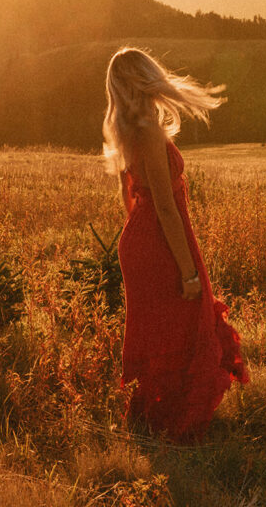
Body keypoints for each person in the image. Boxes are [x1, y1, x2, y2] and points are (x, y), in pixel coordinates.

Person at [103, 46, 249, 442]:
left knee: (153, 330)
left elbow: (129, 194)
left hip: (139, 237)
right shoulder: (149, 132)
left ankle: (150, 418)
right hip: (159, 237)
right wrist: (187, 270)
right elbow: (165, 208)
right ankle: (174, 422)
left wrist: (138, 237)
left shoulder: (128, 132)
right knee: (187, 318)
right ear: (144, 80)